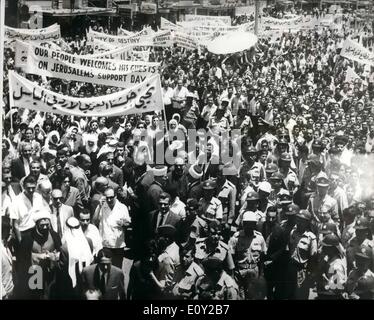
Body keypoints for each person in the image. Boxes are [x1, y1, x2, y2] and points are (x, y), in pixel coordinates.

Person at [16, 210, 61, 299]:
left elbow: (60, 252)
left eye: (47, 225)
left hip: (50, 272)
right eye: (42, 225)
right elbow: (21, 257)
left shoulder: (54, 235)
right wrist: (35, 256)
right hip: (34, 274)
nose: (45, 227)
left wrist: (53, 256)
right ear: (36, 224)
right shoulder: (27, 238)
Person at [229, 211, 267, 300]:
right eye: (247, 224)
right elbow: (230, 256)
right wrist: (232, 273)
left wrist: (261, 274)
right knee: (240, 295)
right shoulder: (236, 238)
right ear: (243, 224)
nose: (249, 227)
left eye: (251, 224)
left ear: (255, 225)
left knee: (253, 295)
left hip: (254, 271)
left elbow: (262, 257)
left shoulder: (259, 238)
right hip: (240, 271)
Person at [55, 217, 94, 299]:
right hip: (86, 276)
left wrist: (55, 259)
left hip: (71, 280)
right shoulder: (89, 241)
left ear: (68, 229)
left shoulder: (65, 248)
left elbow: (62, 267)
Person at [93, 187, 131, 269]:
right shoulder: (102, 206)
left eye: (111, 197)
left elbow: (128, 223)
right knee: (104, 268)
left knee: (117, 269)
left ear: (116, 196)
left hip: (118, 245)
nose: (109, 200)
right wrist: (99, 206)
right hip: (105, 244)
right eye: (107, 198)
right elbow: (95, 221)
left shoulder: (122, 207)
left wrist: (123, 223)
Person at [286, 209, 318, 300]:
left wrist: (309, 272)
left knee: (301, 295)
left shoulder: (311, 237)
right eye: (298, 220)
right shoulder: (293, 233)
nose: (299, 223)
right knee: (290, 294)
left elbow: (313, 257)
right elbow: (289, 248)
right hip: (291, 268)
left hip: (302, 270)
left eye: (302, 221)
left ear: (307, 223)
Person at [316, 233, 347, 299]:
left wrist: (325, 283)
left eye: (325, 247)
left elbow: (338, 286)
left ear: (332, 248)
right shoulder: (329, 260)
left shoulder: (336, 265)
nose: (323, 248)